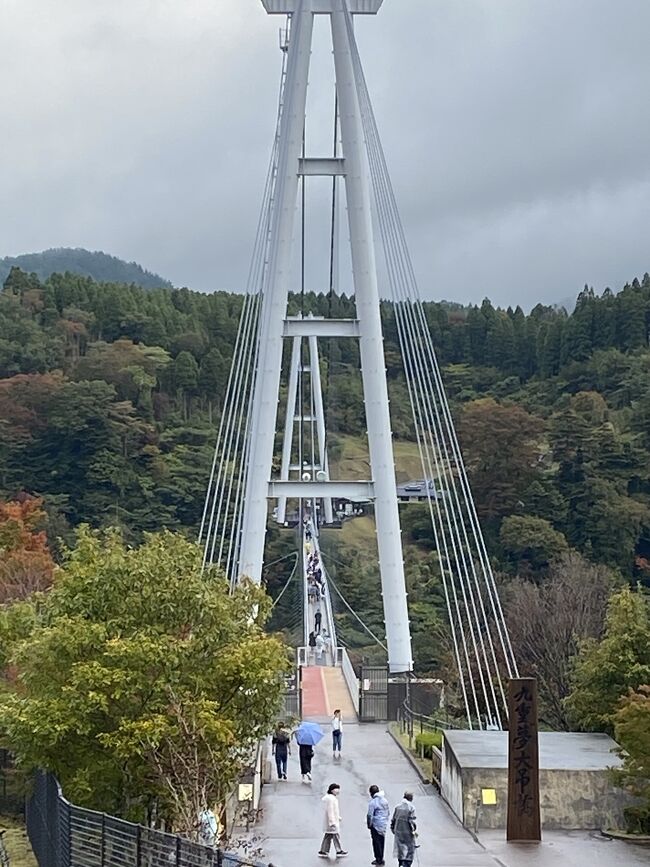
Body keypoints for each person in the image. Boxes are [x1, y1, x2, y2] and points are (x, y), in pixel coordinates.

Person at [318, 783, 348, 858]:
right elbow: (330, 810)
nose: (338, 791)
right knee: (335, 835)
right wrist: (332, 822)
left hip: (332, 821)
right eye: (336, 789)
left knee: (328, 835)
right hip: (332, 822)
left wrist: (337, 817)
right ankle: (339, 850)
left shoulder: (331, 798)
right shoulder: (331, 799)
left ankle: (324, 850)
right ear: (332, 790)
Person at [391, 792, 417, 867]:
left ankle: (401, 862)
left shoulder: (397, 807)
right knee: (410, 847)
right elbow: (411, 821)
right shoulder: (411, 808)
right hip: (407, 831)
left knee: (400, 847)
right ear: (411, 798)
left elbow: (393, 819)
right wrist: (414, 831)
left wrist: (393, 828)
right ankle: (407, 863)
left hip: (398, 830)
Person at [367, 785, 390, 866]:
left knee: (376, 842)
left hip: (376, 824)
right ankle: (381, 857)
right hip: (383, 824)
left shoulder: (373, 802)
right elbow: (388, 812)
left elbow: (370, 815)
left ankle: (378, 859)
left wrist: (369, 824)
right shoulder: (384, 800)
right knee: (381, 840)